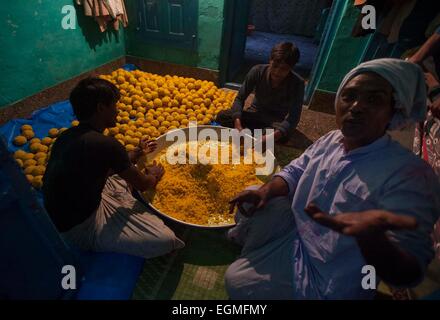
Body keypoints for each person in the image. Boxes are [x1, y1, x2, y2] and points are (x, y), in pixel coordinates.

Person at [225, 58, 440, 299]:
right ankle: (265, 259)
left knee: (237, 283)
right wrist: (265, 192)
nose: (356, 106)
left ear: (395, 109)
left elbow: (408, 274)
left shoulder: (409, 175)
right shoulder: (331, 139)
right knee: (256, 193)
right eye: (349, 96)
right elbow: (295, 171)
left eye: (374, 99)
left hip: (328, 276)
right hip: (296, 234)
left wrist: (372, 240)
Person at [43, 77, 184, 258]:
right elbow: (143, 184)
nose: (117, 111)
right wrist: (154, 175)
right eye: (114, 105)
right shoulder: (107, 144)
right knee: (165, 239)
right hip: (82, 228)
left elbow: (110, 164)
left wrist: (138, 152)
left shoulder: (67, 137)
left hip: (69, 208)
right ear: (101, 108)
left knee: (123, 173)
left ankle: (123, 190)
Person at [215, 42, 305, 144]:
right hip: (254, 114)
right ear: (270, 60)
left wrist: (273, 136)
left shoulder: (297, 83)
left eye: (284, 69)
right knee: (223, 116)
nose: (277, 72)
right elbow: (240, 98)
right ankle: (253, 134)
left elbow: (294, 116)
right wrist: (238, 124)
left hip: (274, 121)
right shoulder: (257, 71)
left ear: (291, 68)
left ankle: (256, 135)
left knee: (283, 136)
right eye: (275, 66)